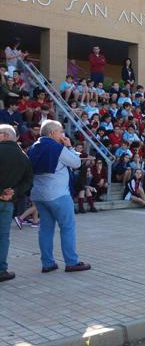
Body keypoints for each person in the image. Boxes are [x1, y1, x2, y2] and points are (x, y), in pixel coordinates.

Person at [28, 120, 91, 273]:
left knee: (45, 229)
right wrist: (69, 146)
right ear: (52, 133)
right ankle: (71, 262)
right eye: (60, 131)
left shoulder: (32, 147)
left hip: (38, 194)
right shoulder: (57, 148)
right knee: (67, 227)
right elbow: (76, 163)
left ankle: (47, 263)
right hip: (58, 194)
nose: (62, 134)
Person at [0, 124, 33, 282]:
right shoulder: (23, 156)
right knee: (3, 237)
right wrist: (13, 191)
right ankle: (1, 270)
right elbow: (28, 181)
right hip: (8, 202)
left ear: (4, 135)